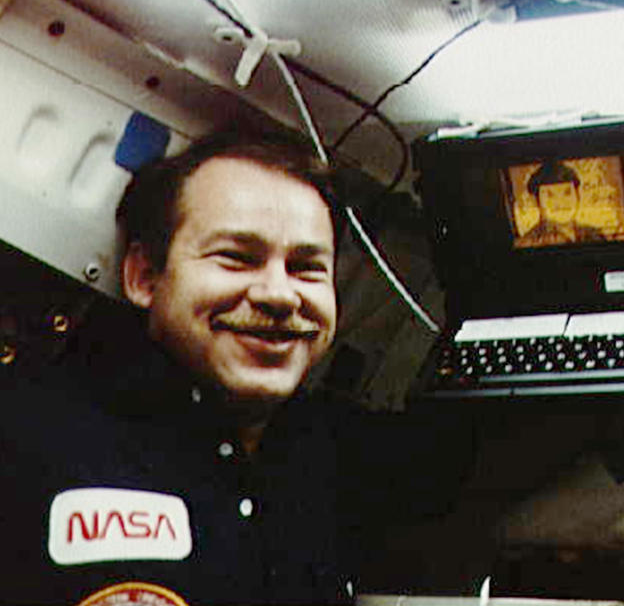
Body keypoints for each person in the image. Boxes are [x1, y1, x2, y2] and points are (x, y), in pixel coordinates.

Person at [0, 130, 467, 605]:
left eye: (307, 267)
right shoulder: (26, 439)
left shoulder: (332, 457)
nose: (280, 295)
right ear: (144, 277)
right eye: (237, 258)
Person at [515, 161, 606, 247]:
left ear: (578, 195)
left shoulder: (594, 235)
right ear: (536, 201)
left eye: (567, 193)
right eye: (550, 195)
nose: (560, 202)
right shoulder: (527, 243)